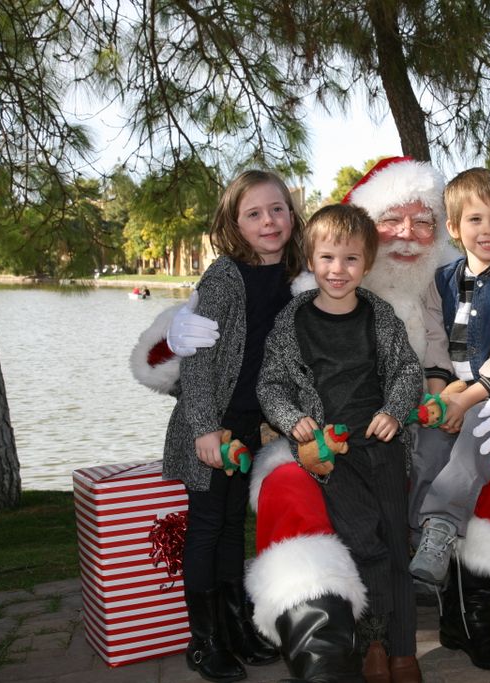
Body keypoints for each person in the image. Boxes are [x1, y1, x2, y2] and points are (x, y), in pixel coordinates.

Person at [132, 156, 490, 680]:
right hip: (317, 432)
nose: (406, 235)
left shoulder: (454, 273)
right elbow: (232, 352)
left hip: (423, 425)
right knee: (284, 488)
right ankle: (323, 637)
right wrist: (173, 338)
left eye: (421, 220)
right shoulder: (309, 279)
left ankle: (468, 614)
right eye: (391, 220)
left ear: (440, 228)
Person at [256, 204, 423, 682]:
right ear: (311, 259)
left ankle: (403, 653)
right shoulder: (293, 321)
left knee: (394, 542)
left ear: (366, 265)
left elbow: (407, 370)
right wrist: (294, 421)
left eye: (350, 260)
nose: (338, 270)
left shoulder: (378, 314)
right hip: (331, 453)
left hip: (381, 444)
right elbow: (271, 385)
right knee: (362, 542)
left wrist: (394, 410)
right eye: (327, 258)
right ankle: (372, 642)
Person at [160, 169, 304, 682]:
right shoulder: (224, 277)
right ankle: (203, 641)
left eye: (278, 209)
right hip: (213, 424)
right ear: (234, 223)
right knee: (205, 527)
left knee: (231, 529)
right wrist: (203, 427)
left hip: (250, 424)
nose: (269, 221)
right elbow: (195, 361)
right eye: (254, 213)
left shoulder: (297, 275)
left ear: (292, 213)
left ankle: (235, 623)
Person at [409, 168, 490, 587]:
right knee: (426, 444)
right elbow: (434, 338)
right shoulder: (442, 283)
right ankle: (412, 538)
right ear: (453, 227)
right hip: (452, 390)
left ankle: (441, 526)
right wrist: (439, 398)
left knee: (476, 436)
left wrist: (465, 402)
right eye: (475, 219)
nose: (489, 230)